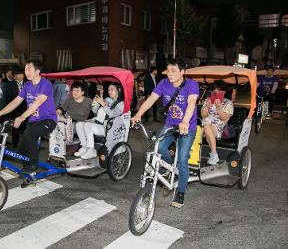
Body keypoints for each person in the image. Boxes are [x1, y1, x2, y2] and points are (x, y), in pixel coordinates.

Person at [131, 58, 199, 208]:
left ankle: (180, 192)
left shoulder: (191, 85)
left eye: (173, 71)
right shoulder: (163, 83)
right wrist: (138, 114)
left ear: (182, 72)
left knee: (182, 159)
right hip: (170, 124)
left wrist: (185, 121)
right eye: (168, 70)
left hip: (187, 126)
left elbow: (191, 104)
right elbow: (151, 100)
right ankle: (170, 166)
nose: (170, 74)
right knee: (160, 148)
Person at [0, 59, 57, 176]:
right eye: (25, 69)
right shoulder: (27, 85)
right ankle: (30, 174)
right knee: (21, 151)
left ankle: (34, 166)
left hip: (48, 120)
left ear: (37, 71)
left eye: (29, 69)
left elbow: (37, 103)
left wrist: (21, 117)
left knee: (30, 134)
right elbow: (16, 101)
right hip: (33, 121)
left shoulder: (45, 84)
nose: (26, 72)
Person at [75, 83, 124, 159]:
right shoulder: (107, 99)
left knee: (88, 126)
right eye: (108, 90)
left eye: (112, 89)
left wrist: (103, 104)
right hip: (100, 123)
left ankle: (91, 150)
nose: (109, 91)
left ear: (118, 90)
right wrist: (95, 102)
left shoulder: (121, 104)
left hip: (110, 128)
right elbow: (94, 111)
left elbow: (113, 115)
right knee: (79, 124)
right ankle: (84, 147)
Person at [200, 80, 234, 165]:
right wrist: (207, 107)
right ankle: (213, 154)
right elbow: (203, 115)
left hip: (220, 127)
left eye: (220, 91)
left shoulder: (228, 103)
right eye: (215, 91)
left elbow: (223, 118)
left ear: (224, 92)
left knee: (207, 128)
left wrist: (219, 108)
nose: (217, 93)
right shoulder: (208, 100)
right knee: (207, 127)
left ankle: (214, 154)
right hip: (205, 124)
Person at [4, 67, 27, 147]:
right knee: (15, 128)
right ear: (14, 76)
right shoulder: (10, 85)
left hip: (26, 110)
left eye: (22, 74)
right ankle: (15, 143)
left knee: (25, 128)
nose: (20, 76)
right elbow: (8, 99)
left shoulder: (28, 83)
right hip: (15, 110)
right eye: (18, 74)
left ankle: (25, 143)